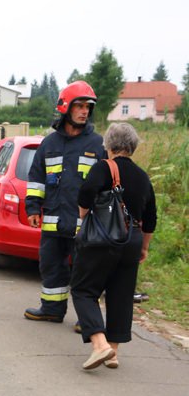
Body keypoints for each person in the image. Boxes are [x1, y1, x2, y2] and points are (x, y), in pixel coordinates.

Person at [70, 123, 156, 369]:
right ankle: (114, 353)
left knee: (83, 289)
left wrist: (86, 218)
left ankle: (100, 345)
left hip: (103, 240)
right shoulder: (142, 176)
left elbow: (86, 192)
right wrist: (144, 247)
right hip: (132, 241)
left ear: (108, 144)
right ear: (133, 146)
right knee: (121, 295)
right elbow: (151, 217)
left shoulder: (104, 167)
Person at [23, 81, 106, 325]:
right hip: (53, 221)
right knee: (51, 266)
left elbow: (107, 184)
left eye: (87, 107)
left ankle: (87, 319)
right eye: (79, 106)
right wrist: (31, 207)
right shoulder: (49, 144)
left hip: (85, 224)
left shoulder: (97, 144)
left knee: (85, 271)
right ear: (65, 108)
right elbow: (36, 178)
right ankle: (51, 309)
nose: (84, 111)